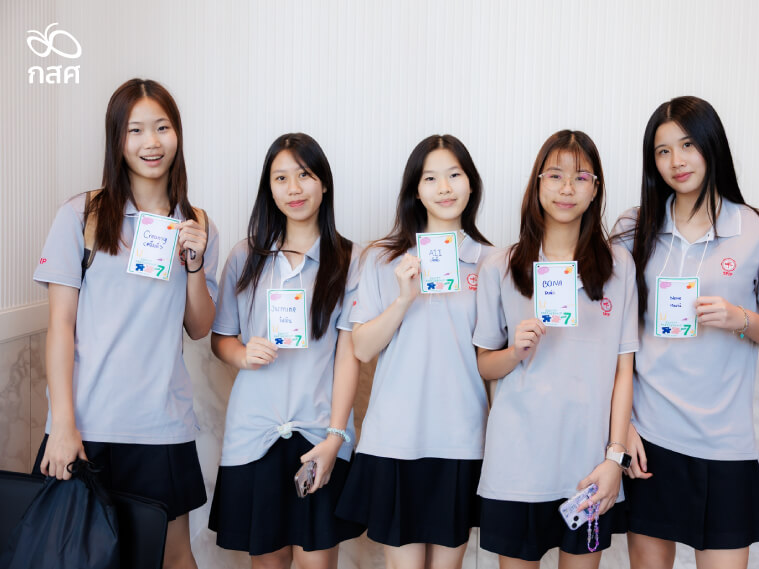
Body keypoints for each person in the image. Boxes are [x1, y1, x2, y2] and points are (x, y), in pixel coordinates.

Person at [612, 96, 759, 569]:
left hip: (725, 442)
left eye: (688, 145)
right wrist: (623, 428)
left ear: (711, 145)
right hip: (649, 438)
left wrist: (741, 319)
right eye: (662, 151)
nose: (676, 161)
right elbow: (613, 336)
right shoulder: (633, 229)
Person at [33, 78, 218, 569]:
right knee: (73, 556)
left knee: (173, 558)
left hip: (162, 425)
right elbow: (60, 326)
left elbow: (199, 326)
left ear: (177, 134)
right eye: (135, 130)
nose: (150, 142)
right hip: (86, 424)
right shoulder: (81, 215)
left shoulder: (196, 222)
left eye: (162, 127)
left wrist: (195, 263)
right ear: (117, 139)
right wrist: (63, 425)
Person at [474, 130, 637, 569]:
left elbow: (624, 370)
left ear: (596, 189)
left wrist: (614, 458)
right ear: (537, 183)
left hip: (588, 466)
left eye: (581, 177)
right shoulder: (500, 266)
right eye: (555, 175)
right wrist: (516, 350)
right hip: (517, 462)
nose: (567, 188)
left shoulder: (619, 267)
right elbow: (486, 365)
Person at [335, 134, 492, 569]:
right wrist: (403, 299)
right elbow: (362, 348)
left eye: (454, 175)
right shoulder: (382, 259)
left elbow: (494, 357)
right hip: (395, 438)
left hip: (462, 439)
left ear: (471, 184)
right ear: (415, 191)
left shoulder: (492, 262)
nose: (444, 188)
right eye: (431, 178)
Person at [207, 133, 363, 569]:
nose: (293, 188)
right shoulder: (245, 257)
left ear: (324, 183)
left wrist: (335, 438)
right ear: (269, 188)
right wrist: (241, 354)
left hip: (318, 435)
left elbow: (348, 356)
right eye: (281, 178)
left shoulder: (350, 259)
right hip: (254, 436)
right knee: (268, 561)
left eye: (304, 175)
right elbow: (221, 339)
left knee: (317, 561)